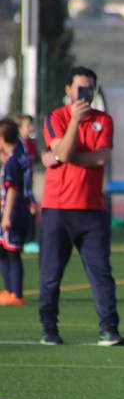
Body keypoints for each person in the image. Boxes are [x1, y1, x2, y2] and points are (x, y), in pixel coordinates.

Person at [40, 66, 124, 346]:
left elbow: (99, 159)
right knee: (51, 274)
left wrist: (62, 155)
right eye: (79, 88)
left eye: (89, 88)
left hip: (92, 210)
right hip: (57, 209)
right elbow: (61, 151)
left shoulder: (104, 120)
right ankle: (49, 329)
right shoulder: (57, 117)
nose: (84, 94)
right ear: (68, 90)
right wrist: (74, 125)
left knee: (101, 273)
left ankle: (109, 329)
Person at [0, 120, 32, 306]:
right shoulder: (19, 156)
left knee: (12, 252)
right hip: (15, 212)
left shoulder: (13, 161)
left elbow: (13, 189)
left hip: (14, 213)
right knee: (4, 250)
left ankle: (16, 294)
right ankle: (9, 289)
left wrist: (6, 215)